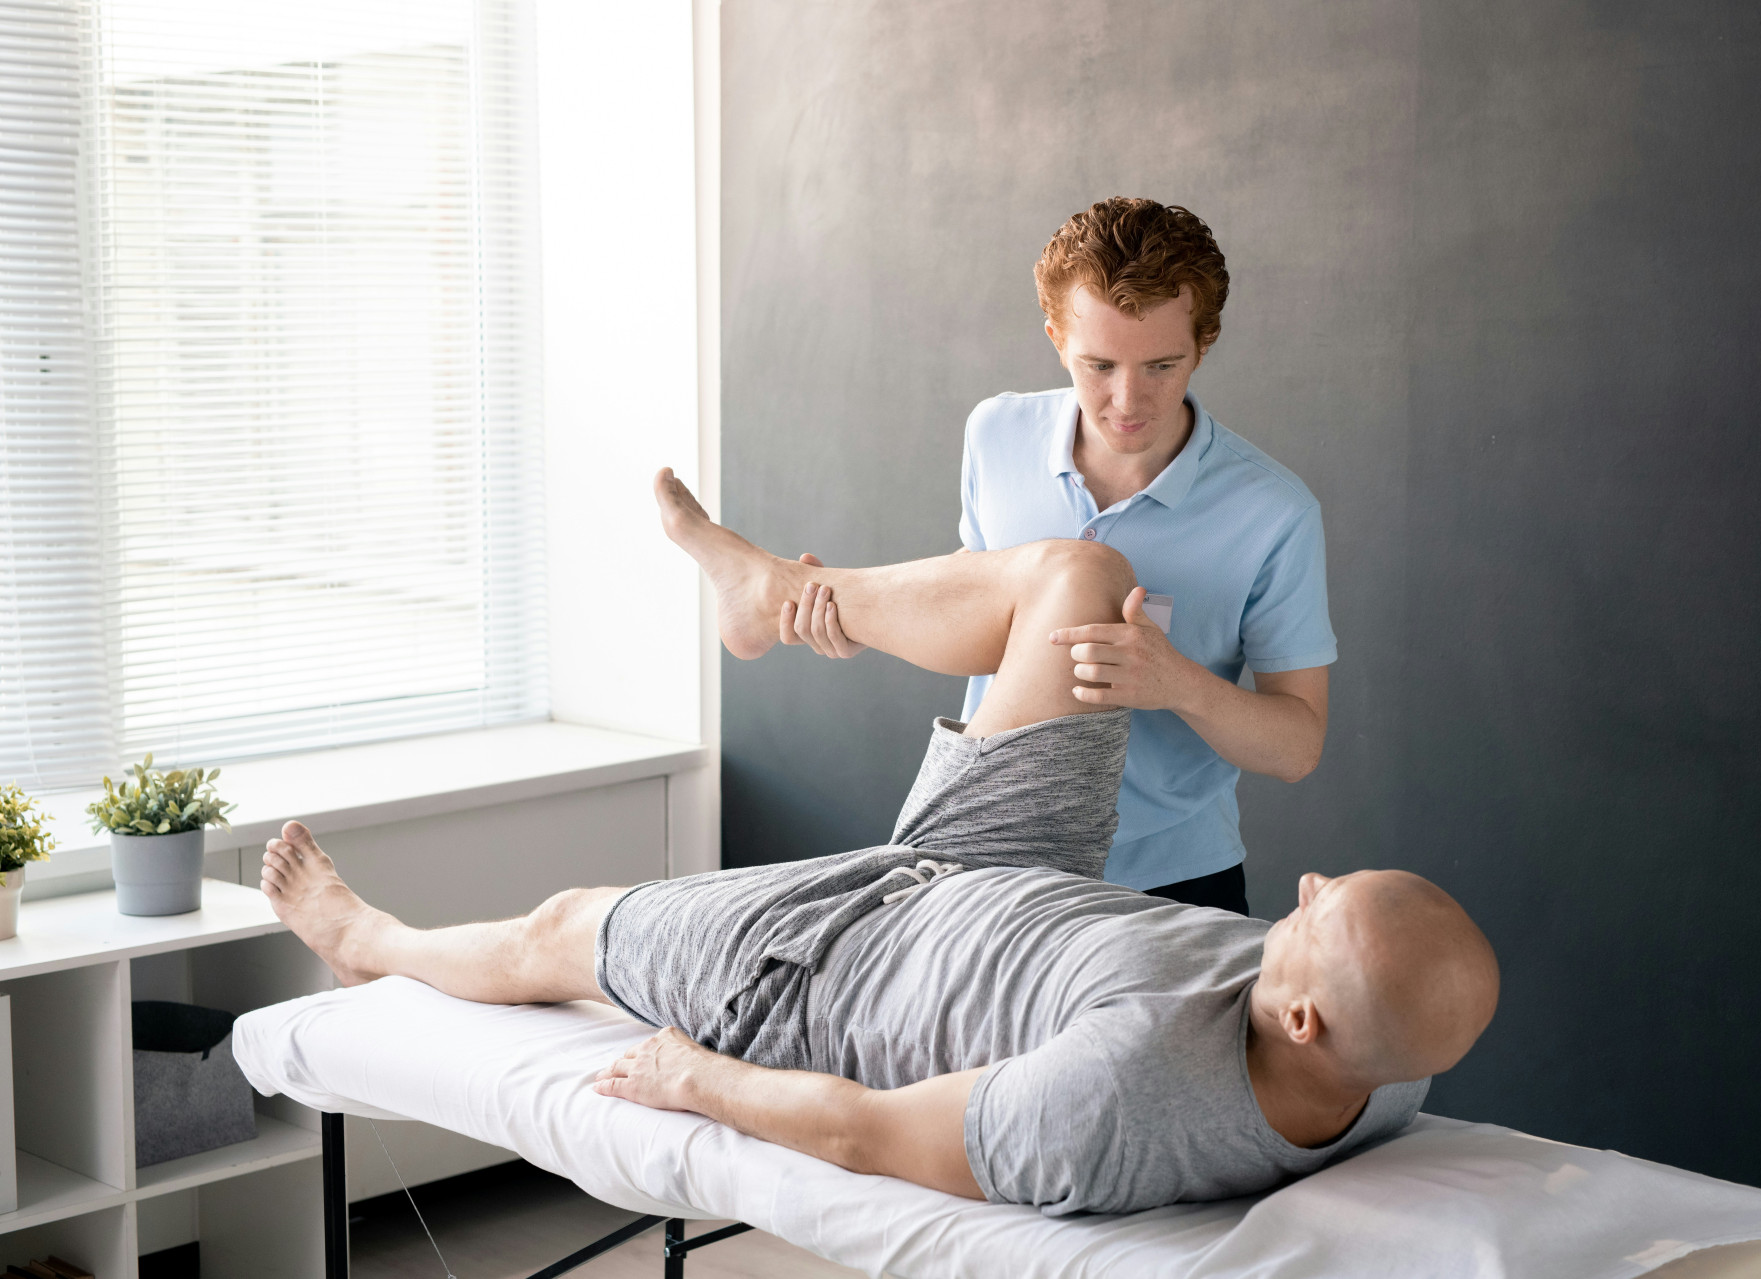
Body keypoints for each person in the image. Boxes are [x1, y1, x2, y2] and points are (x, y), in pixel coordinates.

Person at [259, 470, 1497, 1216]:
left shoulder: (1113, 1104)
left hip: (833, 963)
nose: (1305, 882)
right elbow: (1391, 1002)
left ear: (1303, 1020)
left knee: (562, 927)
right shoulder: (1391, 1064)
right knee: (1077, 578)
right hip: (1017, 869)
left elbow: (867, 1131)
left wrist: (701, 1081)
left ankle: (370, 940)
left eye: (1317, 912)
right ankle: (771, 594)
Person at [782, 197, 1335, 916]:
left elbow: (1298, 745)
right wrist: (870, 622)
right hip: (999, 863)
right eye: (1098, 365)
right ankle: (768, 593)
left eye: (1162, 365)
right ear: (1055, 338)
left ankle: (762, 587)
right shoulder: (996, 432)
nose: (1127, 400)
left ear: (1205, 343)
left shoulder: (1275, 512)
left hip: (1174, 885)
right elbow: (986, 614)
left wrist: (1178, 683)